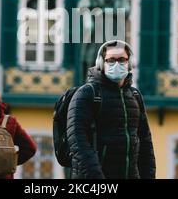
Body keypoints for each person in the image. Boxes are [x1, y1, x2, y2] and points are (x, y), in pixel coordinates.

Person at [66, 40, 156, 179]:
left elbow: (145, 143)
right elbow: (77, 141)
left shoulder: (135, 95)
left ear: (130, 63)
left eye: (121, 60)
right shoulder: (86, 93)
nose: (116, 64)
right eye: (111, 60)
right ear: (101, 63)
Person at [78, 0, 130, 81]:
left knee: (114, 55)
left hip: (113, 28)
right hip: (96, 28)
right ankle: (90, 80)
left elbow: (126, 10)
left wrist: (107, 11)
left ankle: (113, 80)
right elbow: (83, 7)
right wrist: (88, 21)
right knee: (92, 56)